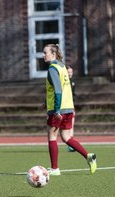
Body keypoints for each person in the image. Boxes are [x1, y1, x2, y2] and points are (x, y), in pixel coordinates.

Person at [43, 44, 97, 176]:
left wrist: (56, 110)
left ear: (53, 54)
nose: (43, 55)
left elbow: (58, 90)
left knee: (52, 137)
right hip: (68, 108)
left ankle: (55, 169)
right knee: (67, 137)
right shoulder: (62, 67)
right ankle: (88, 156)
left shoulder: (52, 68)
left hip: (58, 110)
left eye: (45, 53)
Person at [66, 66, 76, 152]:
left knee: (71, 125)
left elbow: (73, 95)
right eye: (68, 72)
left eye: (71, 72)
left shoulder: (73, 83)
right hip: (64, 107)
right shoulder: (64, 82)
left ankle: (71, 145)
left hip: (71, 106)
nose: (70, 74)